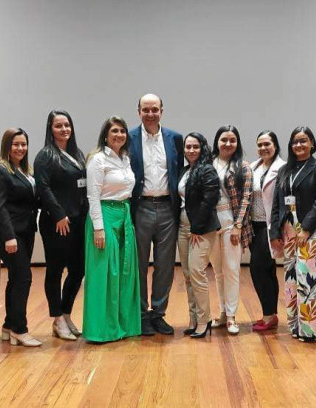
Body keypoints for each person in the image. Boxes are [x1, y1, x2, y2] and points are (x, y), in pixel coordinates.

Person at [128, 93, 184, 336]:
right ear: (138, 111)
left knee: (165, 265)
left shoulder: (176, 139)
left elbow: (180, 170)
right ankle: (141, 316)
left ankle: (158, 314)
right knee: (138, 264)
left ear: (162, 110)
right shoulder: (128, 138)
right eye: (145, 109)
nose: (150, 114)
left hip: (167, 209)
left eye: (155, 109)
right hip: (140, 208)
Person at [269, 127, 316, 342]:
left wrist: (306, 228)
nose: (299, 145)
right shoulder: (285, 170)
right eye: (295, 142)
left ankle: (311, 330)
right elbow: (278, 202)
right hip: (288, 230)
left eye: (303, 141)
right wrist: (275, 231)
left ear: (312, 143)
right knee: (291, 281)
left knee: (307, 279)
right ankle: (295, 326)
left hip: (312, 229)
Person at [83, 116, 141, 343]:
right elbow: (93, 196)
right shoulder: (98, 160)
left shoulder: (125, 159)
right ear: (105, 135)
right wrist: (99, 228)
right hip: (105, 216)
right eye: (114, 131)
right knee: (105, 273)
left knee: (125, 273)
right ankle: (101, 330)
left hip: (124, 215)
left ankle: (123, 325)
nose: (119, 135)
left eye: (122, 131)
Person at [34, 109, 87, 341]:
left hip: (78, 220)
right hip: (57, 222)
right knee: (56, 270)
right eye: (58, 126)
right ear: (50, 129)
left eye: (67, 125)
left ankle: (66, 313)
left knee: (78, 269)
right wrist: (58, 214)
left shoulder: (77, 153)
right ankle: (56, 318)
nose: (64, 129)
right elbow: (43, 187)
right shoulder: (45, 155)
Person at [0, 128, 42, 347]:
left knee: (16, 278)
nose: (20, 148)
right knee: (24, 278)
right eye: (15, 144)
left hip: (25, 230)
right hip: (7, 233)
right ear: (6, 146)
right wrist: (9, 236)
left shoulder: (24, 170)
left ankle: (9, 325)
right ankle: (21, 328)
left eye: (23, 144)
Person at [208, 125, 253, 335]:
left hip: (230, 221)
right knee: (217, 271)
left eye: (232, 140)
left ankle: (233, 315)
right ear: (217, 141)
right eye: (224, 139)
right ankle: (223, 312)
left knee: (232, 270)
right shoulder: (208, 163)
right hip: (210, 222)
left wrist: (238, 226)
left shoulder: (243, 166)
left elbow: (246, 198)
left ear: (237, 143)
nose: (228, 144)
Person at [177, 132, 221, 339]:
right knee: (187, 274)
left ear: (202, 148)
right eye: (188, 147)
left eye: (195, 147)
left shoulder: (207, 170)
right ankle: (194, 319)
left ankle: (204, 321)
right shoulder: (186, 170)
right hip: (182, 227)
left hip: (200, 229)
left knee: (197, 271)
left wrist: (197, 227)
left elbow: (209, 200)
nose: (191, 150)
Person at [248, 130, 286, 332]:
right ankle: (269, 315)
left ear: (275, 145)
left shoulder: (282, 168)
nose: (263, 148)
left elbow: (282, 202)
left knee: (257, 269)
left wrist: (278, 231)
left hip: (269, 226)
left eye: (267, 144)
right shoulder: (253, 167)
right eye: (260, 144)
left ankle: (269, 315)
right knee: (267, 270)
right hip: (253, 226)